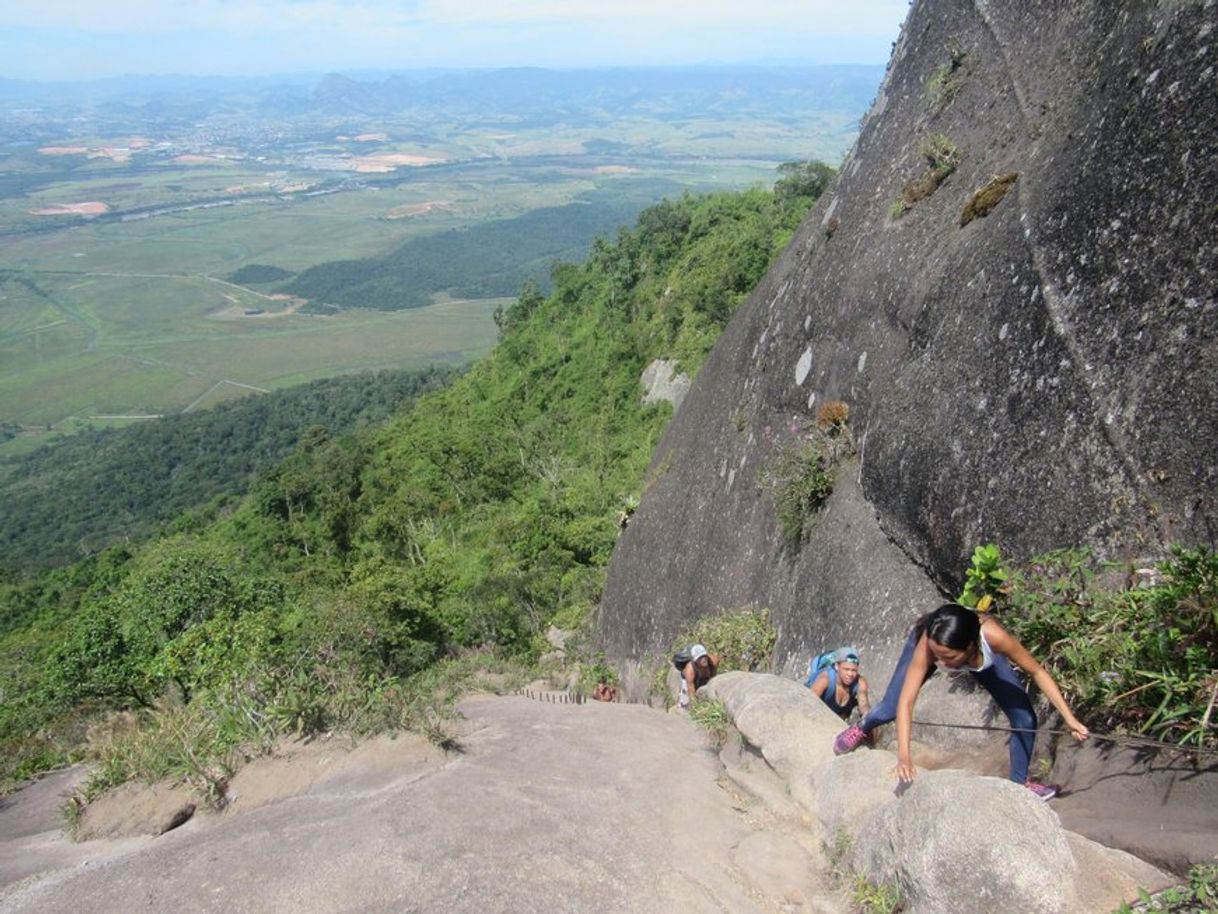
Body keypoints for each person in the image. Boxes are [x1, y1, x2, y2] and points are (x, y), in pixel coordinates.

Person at [832, 603, 1090, 800]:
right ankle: (863, 726)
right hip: (943, 644)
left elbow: (1037, 671)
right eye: (936, 655)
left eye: (946, 656)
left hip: (980, 659)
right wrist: (904, 757)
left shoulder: (994, 638)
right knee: (890, 707)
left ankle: (1020, 786)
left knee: (1024, 717)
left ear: (969, 645)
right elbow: (906, 702)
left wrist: (1070, 719)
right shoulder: (928, 644)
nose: (940, 662)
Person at [809, 647, 871, 721]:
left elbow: (865, 710)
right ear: (836, 666)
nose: (850, 674)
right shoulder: (824, 680)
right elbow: (808, 705)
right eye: (846, 669)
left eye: (854, 670)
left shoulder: (860, 683)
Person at [678, 643, 720, 709]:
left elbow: (714, 675)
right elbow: (691, 690)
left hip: (705, 677)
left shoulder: (714, 661)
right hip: (690, 680)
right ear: (695, 661)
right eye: (700, 658)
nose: (703, 659)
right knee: (684, 705)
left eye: (704, 656)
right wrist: (696, 708)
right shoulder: (690, 670)